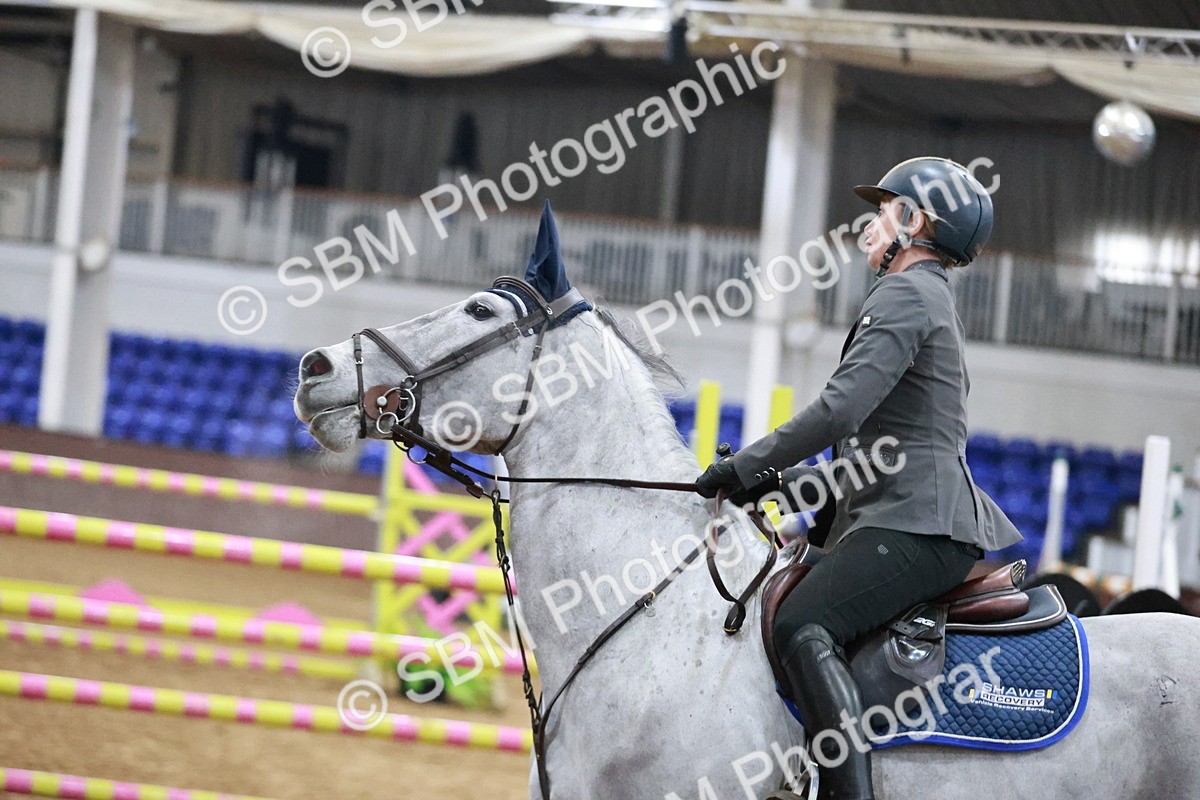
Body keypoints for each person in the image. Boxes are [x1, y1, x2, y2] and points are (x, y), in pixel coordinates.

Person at [695, 157, 1023, 800]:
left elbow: (840, 409)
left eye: (882, 211)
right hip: (902, 511)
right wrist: (782, 487)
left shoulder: (905, 292)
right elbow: (876, 448)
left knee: (800, 626)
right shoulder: (930, 296)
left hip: (918, 522)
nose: (869, 226)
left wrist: (744, 466)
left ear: (914, 219)